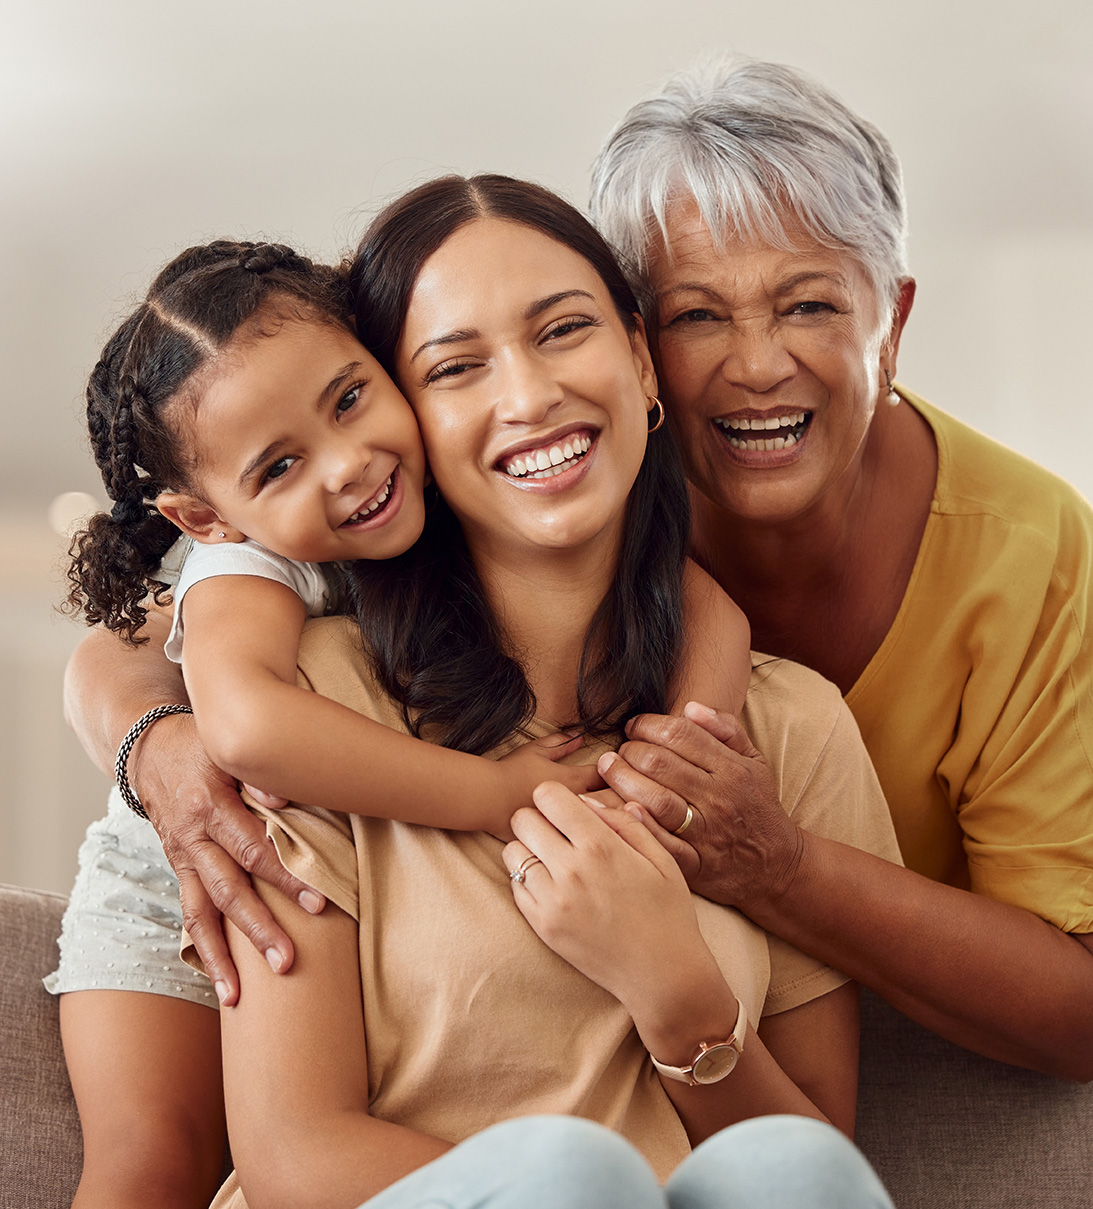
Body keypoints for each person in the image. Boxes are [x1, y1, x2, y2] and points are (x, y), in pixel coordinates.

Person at [199, 172, 897, 1207]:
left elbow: (813, 1165)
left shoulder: (789, 724)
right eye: (455, 368)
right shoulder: (317, 705)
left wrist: (675, 991)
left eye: (563, 330)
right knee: (570, 1174)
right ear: (407, 425)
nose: (527, 397)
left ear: (640, 362)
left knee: (797, 1166)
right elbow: (292, 1159)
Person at [53, 232, 751, 1208]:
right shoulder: (243, 567)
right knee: (150, 1162)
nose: (346, 465)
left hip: (299, 838)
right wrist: (496, 794)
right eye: (280, 465)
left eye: (349, 399)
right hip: (180, 861)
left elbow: (700, 600)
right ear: (205, 517)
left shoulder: (465, 482)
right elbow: (248, 732)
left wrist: (673, 772)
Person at [585, 58, 1093, 1079]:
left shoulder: (1033, 548)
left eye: (808, 306)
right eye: (696, 315)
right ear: (635, 349)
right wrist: (209, 735)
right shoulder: (566, 502)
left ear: (890, 324)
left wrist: (776, 867)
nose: (757, 365)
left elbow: (1077, 1011)